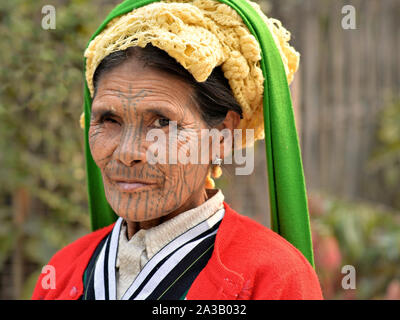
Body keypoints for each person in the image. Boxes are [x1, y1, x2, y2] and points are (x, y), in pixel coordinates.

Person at [32, 0, 323, 300]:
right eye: (109, 119)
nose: (126, 152)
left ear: (222, 136)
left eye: (161, 122)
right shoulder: (63, 272)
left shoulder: (272, 278)